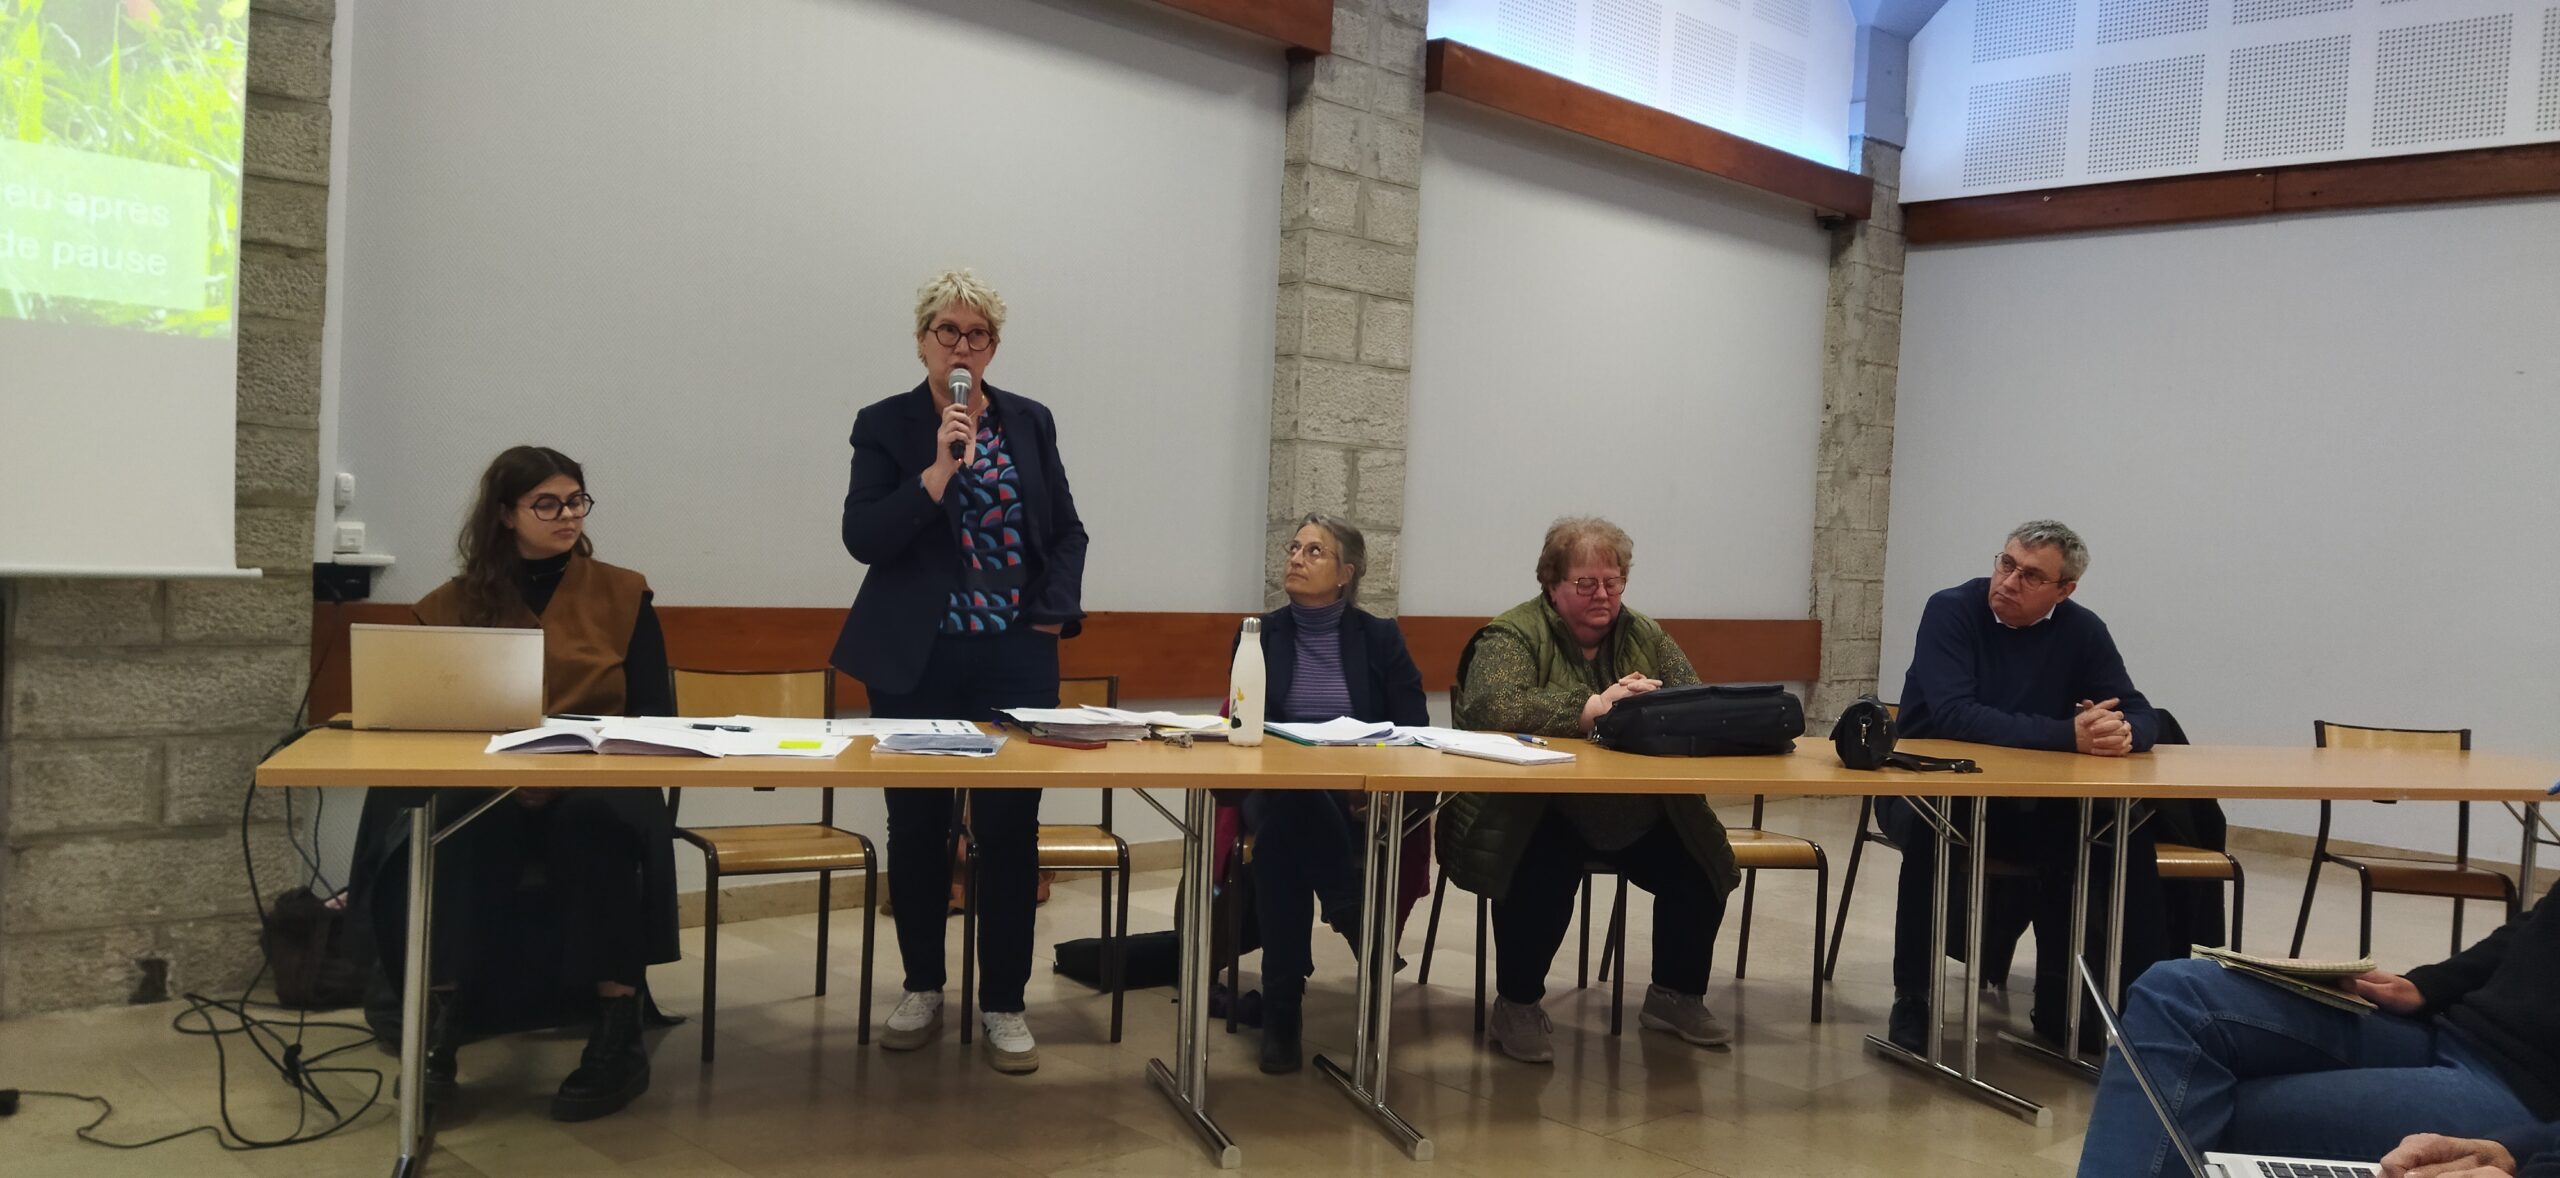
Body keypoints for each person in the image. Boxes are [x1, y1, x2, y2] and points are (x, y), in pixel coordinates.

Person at [355, 444, 680, 1122]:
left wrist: (564, 774)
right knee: (454, 829)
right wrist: (509, 776)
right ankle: (441, 1024)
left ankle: (617, 1028)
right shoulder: (450, 605)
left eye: (576, 501)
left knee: (595, 828)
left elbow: (654, 715)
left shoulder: (624, 593)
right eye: (547, 504)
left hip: (599, 776)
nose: (567, 516)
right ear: (506, 514)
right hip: (489, 780)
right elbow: (428, 719)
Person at [832, 269, 1087, 1075]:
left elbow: (1067, 530)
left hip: (1014, 655)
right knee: (918, 827)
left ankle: (1005, 1003)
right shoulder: (886, 424)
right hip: (919, 660)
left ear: (994, 347)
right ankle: (922, 987)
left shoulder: (1030, 422)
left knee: (1010, 831)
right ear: (923, 342)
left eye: (978, 335)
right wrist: (938, 471)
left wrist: (1053, 610)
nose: (963, 347)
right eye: (949, 331)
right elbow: (865, 537)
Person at [1439, 517, 1739, 1063]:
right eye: (1585, 583)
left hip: (1637, 807)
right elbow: (1490, 706)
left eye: (1613, 581)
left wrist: (1653, 702)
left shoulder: (1646, 634)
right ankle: (1517, 1005)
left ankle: (1675, 994)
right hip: (1536, 807)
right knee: (1539, 874)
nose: (1603, 594)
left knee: (1702, 863)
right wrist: (1591, 707)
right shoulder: (1511, 634)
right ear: (1552, 584)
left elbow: (1695, 702)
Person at [1880, 519, 2172, 1055]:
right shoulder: (1952, 610)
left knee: (2114, 830)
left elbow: (2137, 707)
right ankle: (1914, 998)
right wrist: (2068, 736)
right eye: (2007, 563)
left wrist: (2124, 732)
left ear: (2064, 590)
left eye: (2032, 576)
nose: (2010, 581)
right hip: (1926, 787)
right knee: (1931, 830)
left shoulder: (2082, 630)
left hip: (2026, 801)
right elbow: (1954, 714)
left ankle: (2091, 1003)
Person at [2078, 879, 2560, 1177]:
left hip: (2523, 1096)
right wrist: (2427, 985)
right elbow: (2543, 921)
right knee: (2175, 992)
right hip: (2451, 1029)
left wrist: (2523, 1156)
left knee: (2183, 1108)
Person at [1235, 514, 1429, 1074]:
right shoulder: (1259, 635)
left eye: (1314, 551)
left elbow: (1413, 729)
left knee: (1281, 846)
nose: (1296, 558)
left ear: (1346, 573)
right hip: (1274, 788)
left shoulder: (1380, 638)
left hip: (1354, 798)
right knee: (1297, 799)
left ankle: (1283, 1015)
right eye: (1294, 548)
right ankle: (1352, 915)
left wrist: (1376, 785)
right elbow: (1247, 725)